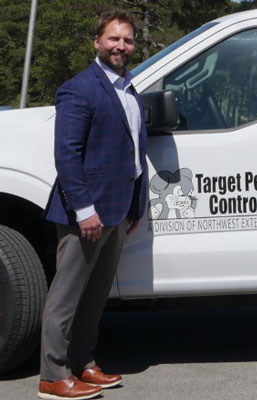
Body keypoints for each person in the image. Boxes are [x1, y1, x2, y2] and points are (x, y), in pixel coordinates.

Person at [39, 9, 148, 400]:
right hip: (85, 215)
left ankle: (83, 364)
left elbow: (133, 153)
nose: (121, 45)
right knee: (66, 296)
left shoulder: (128, 88)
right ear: (97, 42)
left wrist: (135, 207)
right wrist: (84, 210)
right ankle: (52, 375)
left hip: (117, 213)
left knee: (95, 296)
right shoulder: (79, 88)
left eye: (128, 39)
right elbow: (67, 154)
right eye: (113, 38)